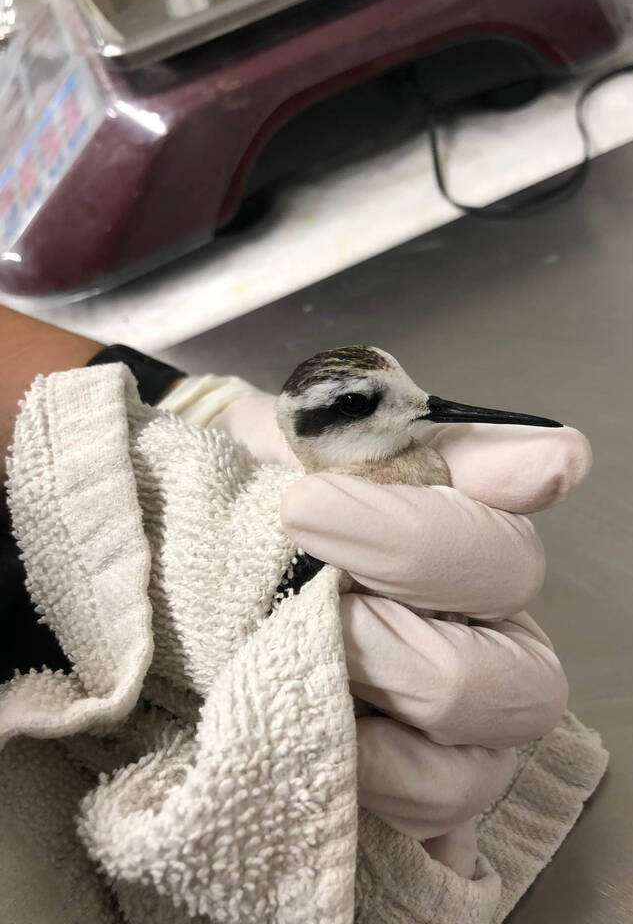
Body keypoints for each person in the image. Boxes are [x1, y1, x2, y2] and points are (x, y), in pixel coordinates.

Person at [0, 305, 590, 878]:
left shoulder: (406, 462)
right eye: (364, 403)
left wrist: (186, 403)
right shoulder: (306, 515)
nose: (425, 408)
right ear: (317, 429)